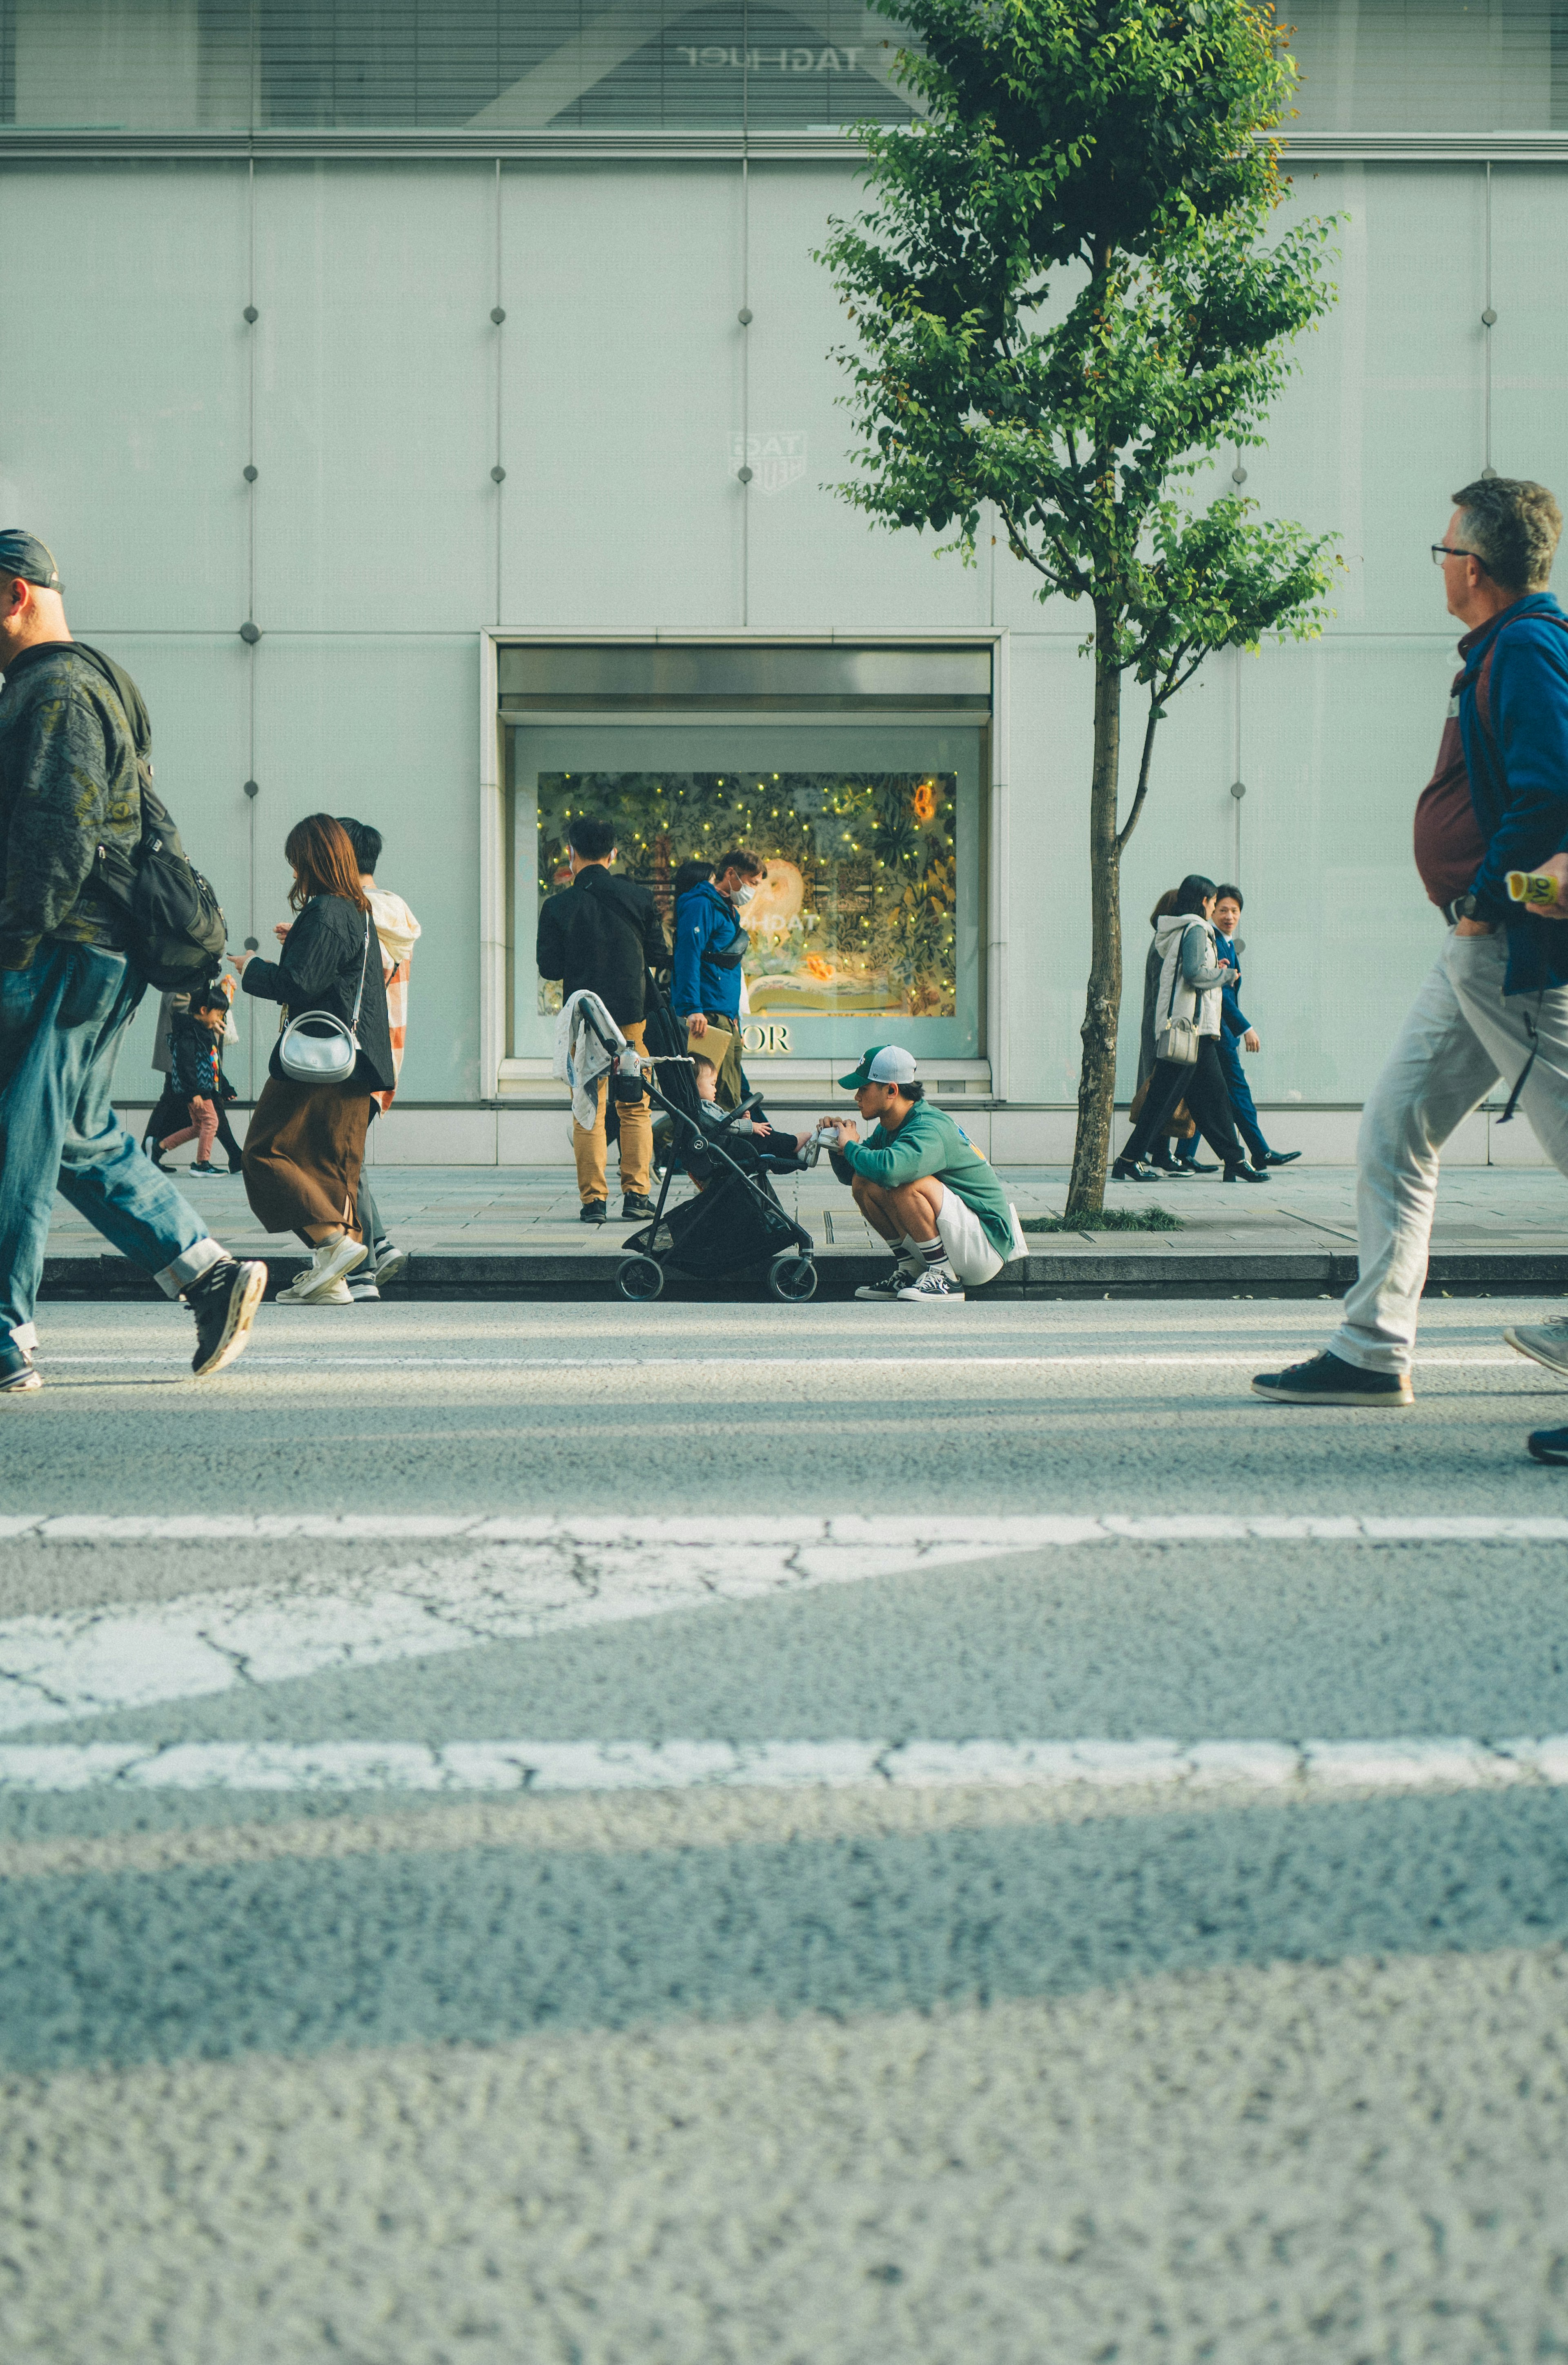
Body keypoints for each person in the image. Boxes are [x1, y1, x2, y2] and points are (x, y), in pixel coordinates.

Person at [1254, 477, 1568, 1412]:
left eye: (1441, 552)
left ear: (1471, 567)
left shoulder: (1524, 649)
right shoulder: (1499, 649)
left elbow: (1546, 786)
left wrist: (1482, 900)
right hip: (1478, 948)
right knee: (1395, 1126)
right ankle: (1370, 1347)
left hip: (1509, 943)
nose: (1437, 566)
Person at [0, 528, 265, 1393]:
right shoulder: (89, 682)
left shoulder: (56, 693)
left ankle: (5, 1334)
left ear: (14, 595)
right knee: (73, 1132)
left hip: (61, 948)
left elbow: (57, 837)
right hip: (92, 950)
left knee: (18, 1134)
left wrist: (12, 943)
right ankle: (206, 1272)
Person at [230, 813, 394, 1306]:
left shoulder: (326, 911)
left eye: (297, 862)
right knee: (331, 1168)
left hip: (316, 1058)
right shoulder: (357, 910)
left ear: (312, 861)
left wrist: (252, 969)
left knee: (263, 1153)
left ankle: (332, 1244)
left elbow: (299, 984)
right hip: (357, 1062)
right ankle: (333, 1281)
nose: (294, 873)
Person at [537, 813, 667, 1223]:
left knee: (588, 1108)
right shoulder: (640, 899)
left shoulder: (558, 905)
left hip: (586, 1018)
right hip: (630, 1020)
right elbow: (660, 955)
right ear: (613, 854)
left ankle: (594, 1202)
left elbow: (549, 968)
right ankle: (637, 1196)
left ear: (571, 854)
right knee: (635, 1108)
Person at [824, 1044, 1023, 1304]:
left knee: (906, 1183)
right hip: (959, 1237)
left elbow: (891, 1171)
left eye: (864, 1088)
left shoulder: (929, 1127)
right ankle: (911, 1271)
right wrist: (837, 1147)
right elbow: (856, 1173)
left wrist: (850, 1146)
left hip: (986, 1246)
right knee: (864, 1183)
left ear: (892, 1090)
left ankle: (945, 1278)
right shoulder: (892, 1125)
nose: (857, 1097)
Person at [1112, 875, 1267, 1183]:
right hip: (1192, 1030)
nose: (1215, 909)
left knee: (1213, 1098)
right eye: (1213, 902)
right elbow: (1196, 974)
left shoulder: (1184, 928)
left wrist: (1216, 969)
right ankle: (1129, 1160)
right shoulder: (1197, 928)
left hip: (1193, 1030)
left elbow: (1191, 971)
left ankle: (1234, 1159)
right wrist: (1224, 975)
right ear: (1204, 901)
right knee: (1165, 1100)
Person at [334, 815, 420, 1300]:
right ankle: (380, 1245)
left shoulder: (352, 914)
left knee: (338, 1159)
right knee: (350, 1156)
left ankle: (363, 1269)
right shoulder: (394, 912)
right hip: (388, 1056)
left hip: (352, 1056)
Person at [1175, 886, 1299, 1174]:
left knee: (1207, 1095)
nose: (1229, 916)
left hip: (1217, 1033)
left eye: (1235, 911)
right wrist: (1246, 1029)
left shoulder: (1226, 942)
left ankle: (1185, 1155)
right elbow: (1223, 996)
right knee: (1235, 1093)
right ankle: (1259, 1152)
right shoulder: (1212, 940)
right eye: (1223, 910)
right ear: (1212, 909)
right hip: (1218, 1032)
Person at [672, 848, 764, 1110]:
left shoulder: (727, 909)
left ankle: (732, 1149)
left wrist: (734, 1016)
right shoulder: (701, 904)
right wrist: (693, 1009)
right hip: (708, 1014)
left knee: (731, 1092)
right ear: (731, 873)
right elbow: (688, 955)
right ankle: (716, 1149)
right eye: (751, 882)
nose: (753, 890)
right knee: (716, 1094)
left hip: (725, 1015)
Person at [1135, 887, 1206, 1175]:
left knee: (1165, 1091)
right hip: (1163, 1027)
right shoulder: (1168, 944)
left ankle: (1161, 1153)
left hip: (1160, 1025)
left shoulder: (1163, 941)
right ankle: (1146, 1154)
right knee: (1160, 1091)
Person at [158, 979, 243, 1174]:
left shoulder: (205, 1032)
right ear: (204, 1011)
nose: (221, 1019)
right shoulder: (190, 1034)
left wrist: (226, 1087)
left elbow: (214, 1065)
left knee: (198, 1127)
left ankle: (160, 1147)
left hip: (204, 1089)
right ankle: (202, 1164)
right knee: (212, 1122)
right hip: (199, 1091)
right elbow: (185, 1065)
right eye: (219, 1014)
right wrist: (194, 1093)